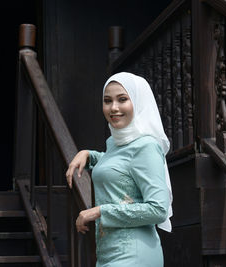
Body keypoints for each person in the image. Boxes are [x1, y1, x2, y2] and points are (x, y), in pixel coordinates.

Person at [65, 72, 173, 267]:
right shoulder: (116, 145)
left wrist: (99, 212)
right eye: (107, 101)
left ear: (138, 102)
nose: (113, 108)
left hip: (135, 255)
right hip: (108, 255)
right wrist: (89, 154)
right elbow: (119, 164)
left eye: (122, 99)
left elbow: (158, 209)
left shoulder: (146, 146)